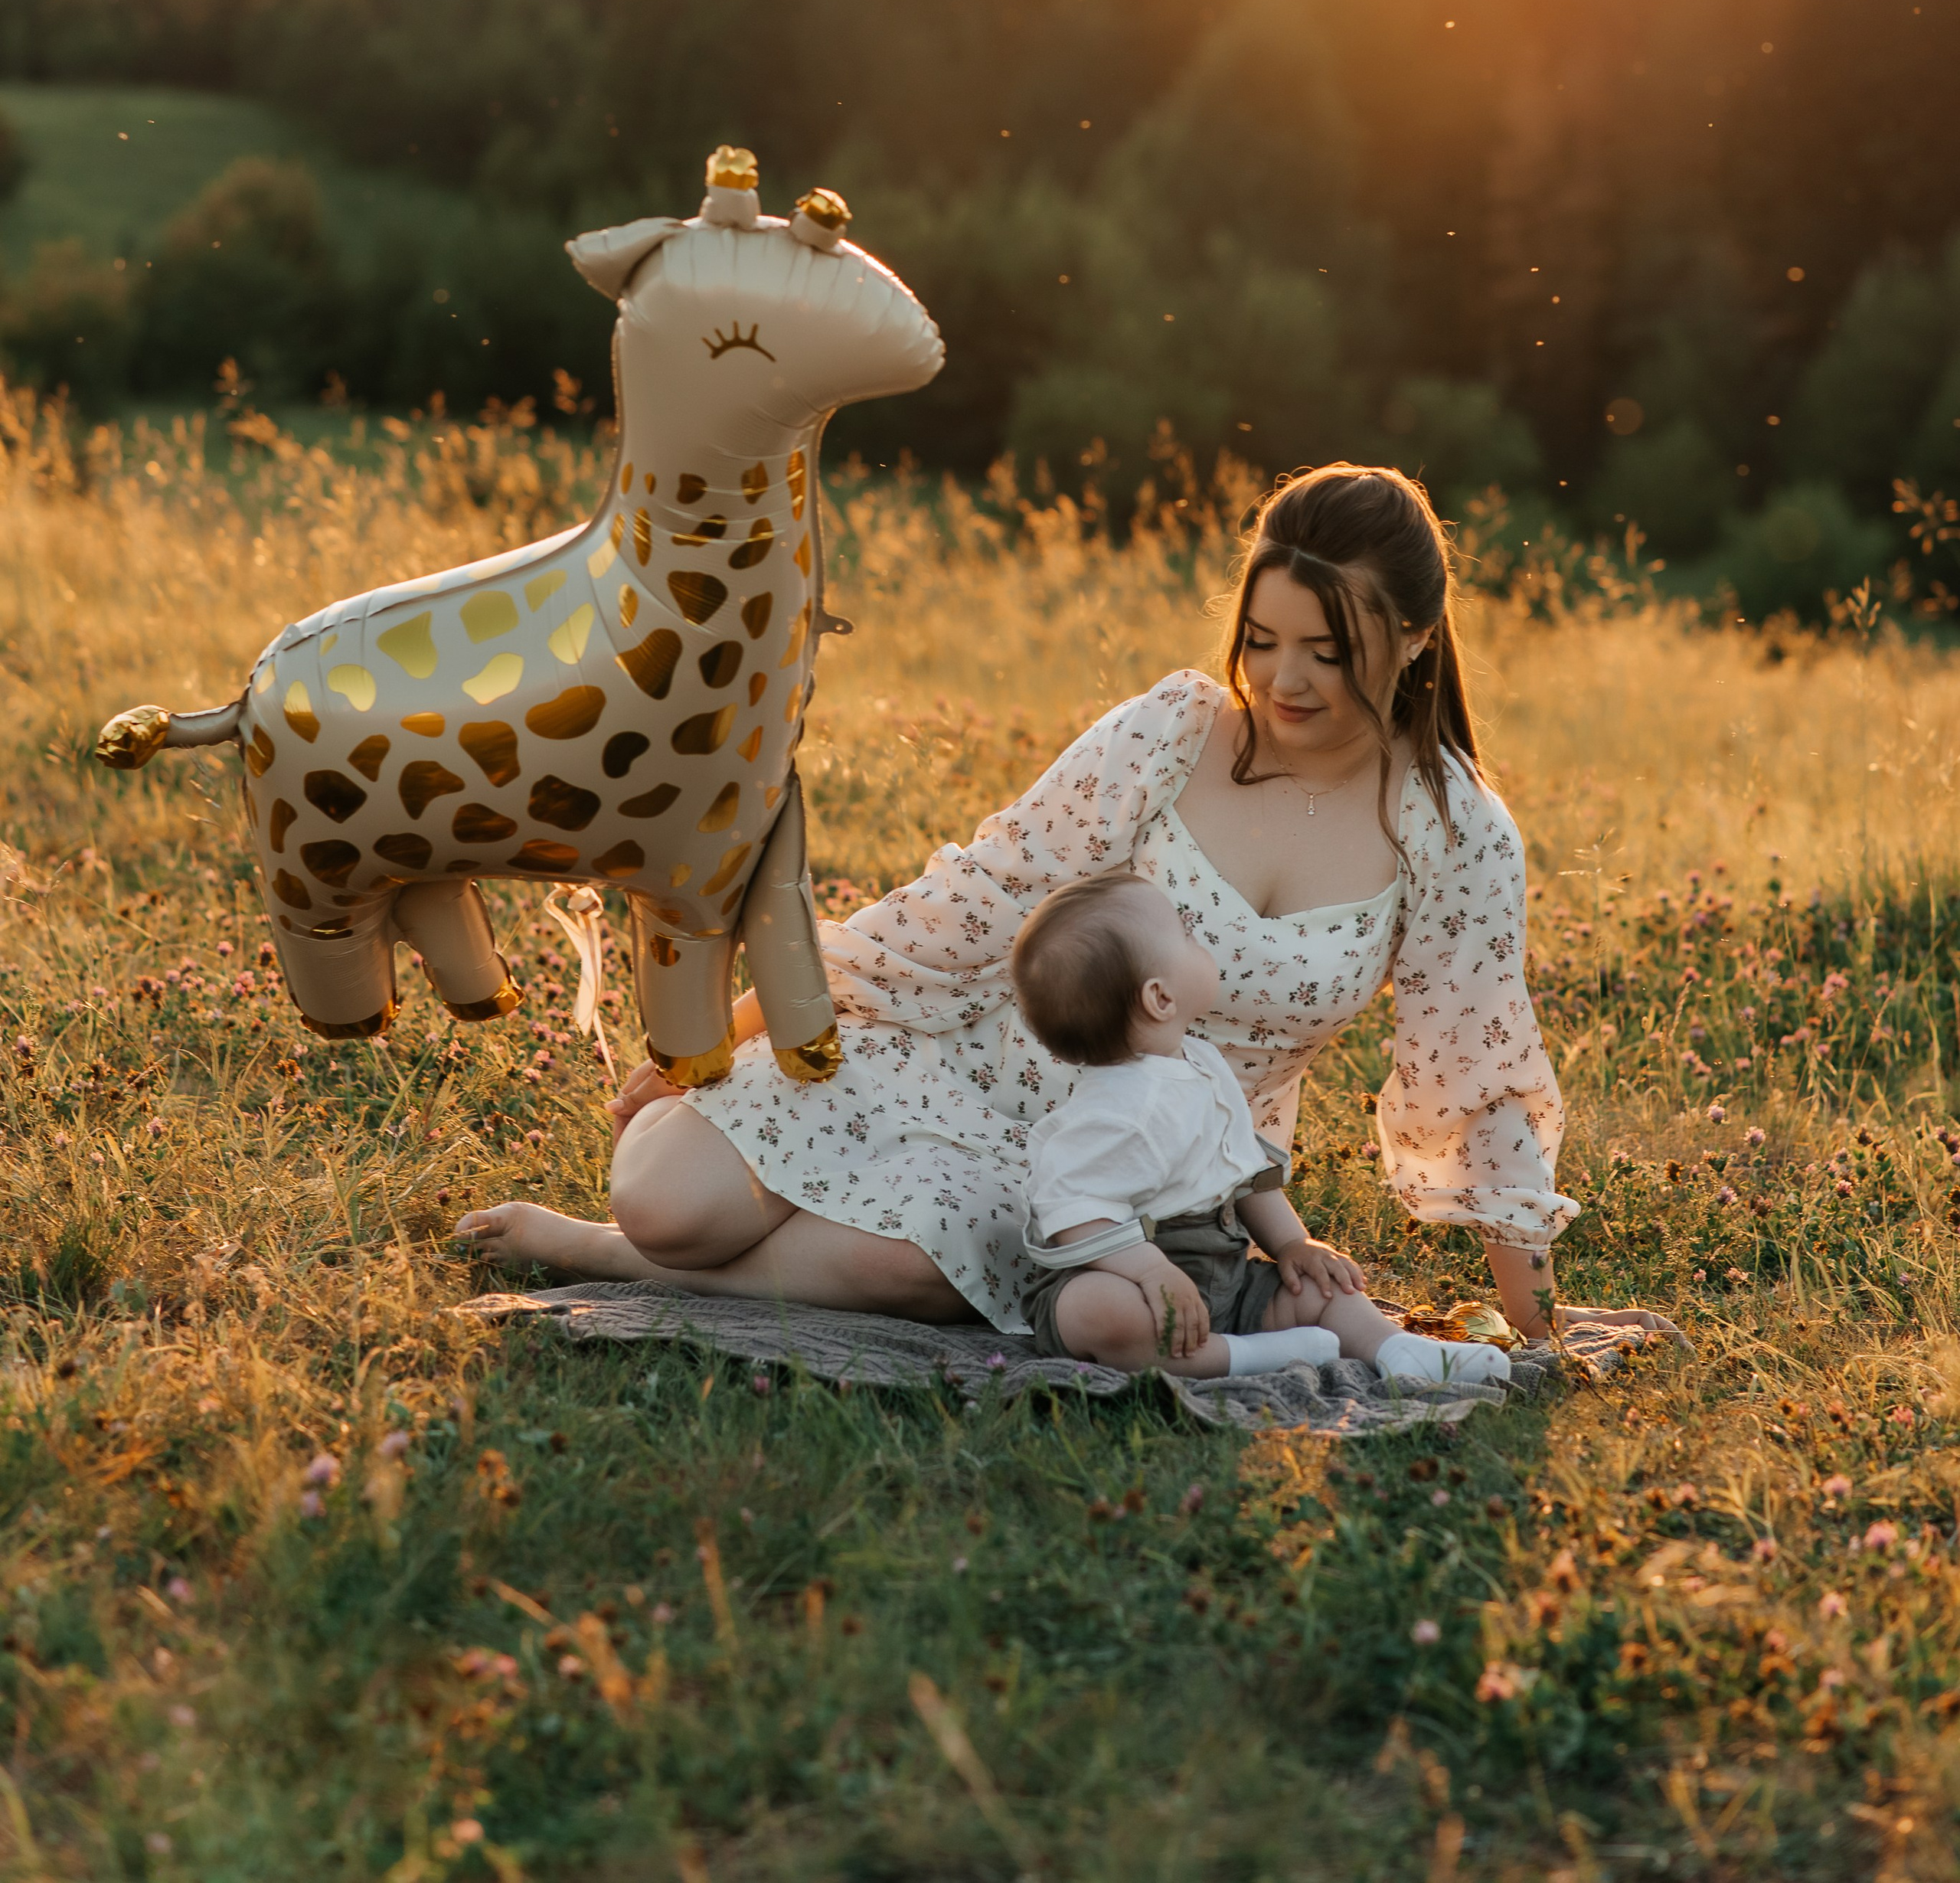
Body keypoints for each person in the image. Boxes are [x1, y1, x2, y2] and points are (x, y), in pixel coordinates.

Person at [463, 461, 1644, 1351]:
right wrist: (743, 1024)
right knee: (668, 1195)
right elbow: (982, 891)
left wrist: (1532, 1317)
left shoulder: (1453, 829)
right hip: (967, 1046)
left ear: (1418, 638)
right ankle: (641, 1237)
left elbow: (1472, 1067)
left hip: (1143, 1169)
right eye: (1265, 638)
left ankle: (599, 1259)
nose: (1286, 680)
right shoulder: (1175, 731)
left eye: (1330, 652)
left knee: (926, 1270)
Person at [1010, 866, 1511, 1385]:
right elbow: (1073, 1214)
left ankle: (1399, 1348)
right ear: (1160, 998)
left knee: (1320, 1285)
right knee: (1096, 1309)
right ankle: (1252, 1357)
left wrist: (1294, 1244)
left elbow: (1242, 1174)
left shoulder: (1200, 1063)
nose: (1197, 936)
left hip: (1221, 1280)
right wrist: (1152, 1272)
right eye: (1184, 933)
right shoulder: (1112, 1113)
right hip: (1136, 1285)